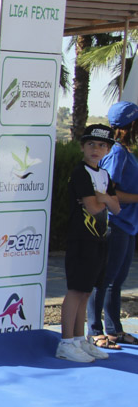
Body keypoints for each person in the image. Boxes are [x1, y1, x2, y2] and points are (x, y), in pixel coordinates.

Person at [58, 124, 120, 362]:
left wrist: (103, 198)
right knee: (75, 290)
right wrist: (105, 200)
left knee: (86, 292)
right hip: (80, 239)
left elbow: (116, 206)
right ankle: (65, 343)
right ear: (82, 146)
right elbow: (94, 208)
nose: (96, 149)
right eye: (91, 144)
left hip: (100, 240)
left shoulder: (103, 175)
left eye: (102, 145)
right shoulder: (80, 172)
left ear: (108, 150)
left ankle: (78, 340)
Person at [87, 101, 138, 349]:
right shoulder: (116, 152)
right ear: (132, 124)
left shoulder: (124, 151)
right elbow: (108, 191)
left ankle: (115, 331)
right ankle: (95, 331)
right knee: (104, 280)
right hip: (114, 224)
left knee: (117, 281)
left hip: (127, 225)